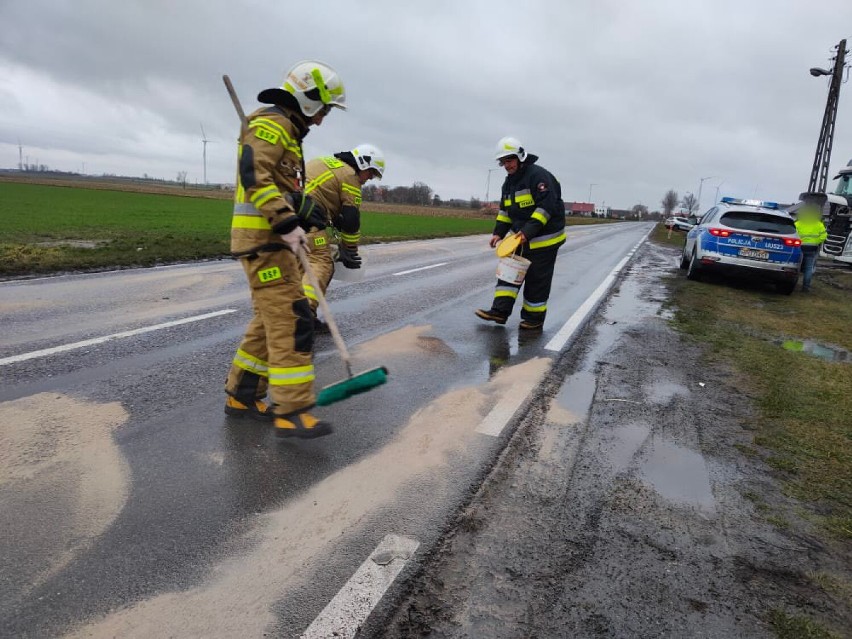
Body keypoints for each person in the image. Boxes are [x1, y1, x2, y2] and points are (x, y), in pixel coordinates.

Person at [224, 60, 346, 439]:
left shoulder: (286, 131)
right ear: (310, 100)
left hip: (271, 242)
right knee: (293, 320)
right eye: (323, 110)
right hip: (265, 242)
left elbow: (273, 182)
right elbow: (254, 176)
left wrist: (297, 206)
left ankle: (243, 395)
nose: (323, 120)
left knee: (268, 320)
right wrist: (285, 219)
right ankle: (292, 410)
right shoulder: (271, 125)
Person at [475, 137, 566, 330]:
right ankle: (499, 312)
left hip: (545, 240)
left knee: (536, 280)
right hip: (520, 238)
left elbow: (546, 208)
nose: (506, 165)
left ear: (520, 157)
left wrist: (527, 232)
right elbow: (505, 211)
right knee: (508, 273)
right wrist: (498, 233)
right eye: (503, 162)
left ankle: (534, 319)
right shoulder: (508, 184)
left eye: (510, 160)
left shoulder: (538, 177)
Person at [301, 144, 385, 331]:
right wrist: (350, 250)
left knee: (300, 268)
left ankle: (300, 313)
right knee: (322, 263)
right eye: (371, 173)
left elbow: (324, 195)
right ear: (363, 164)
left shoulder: (325, 162)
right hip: (308, 219)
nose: (370, 178)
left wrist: (334, 220)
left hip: (288, 215)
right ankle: (302, 316)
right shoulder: (350, 176)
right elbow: (351, 218)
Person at [795, 192, 828, 293]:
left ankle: (794, 284)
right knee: (808, 268)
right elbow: (824, 236)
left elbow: (793, 235)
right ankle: (806, 287)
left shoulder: (797, 223)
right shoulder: (819, 224)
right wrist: (816, 242)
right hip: (812, 248)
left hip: (799, 247)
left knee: (796, 266)